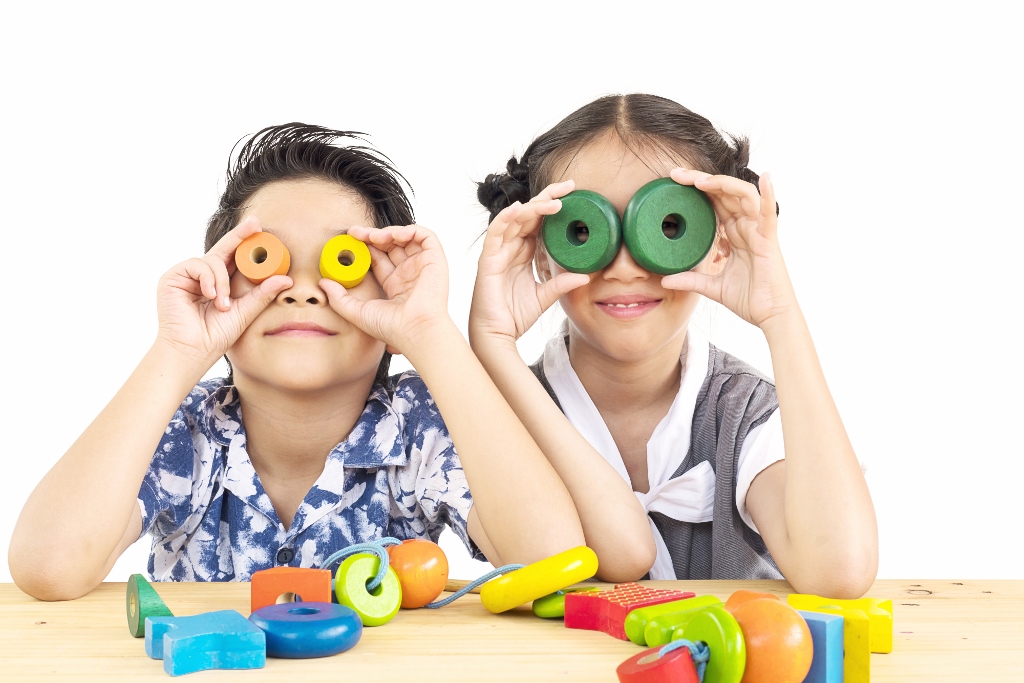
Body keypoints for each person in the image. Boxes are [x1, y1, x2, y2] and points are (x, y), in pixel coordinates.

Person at [10, 124, 583, 600]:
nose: (303, 290)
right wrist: (178, 351)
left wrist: (431, 332)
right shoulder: (183, 431)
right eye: (266, 262)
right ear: (219, 291)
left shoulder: (420, 426)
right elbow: (48, 569)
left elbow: (551, 563)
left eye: (341, 262)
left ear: (388, 304)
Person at [470, 94, 877, 596]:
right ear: (540, 253)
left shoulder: (745, 415)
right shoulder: (486, 421)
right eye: (585, 230)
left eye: (665, 228)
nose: (624, 268)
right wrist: (495, 347)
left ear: (719, 244)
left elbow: (838, 571)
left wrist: (779, 314)